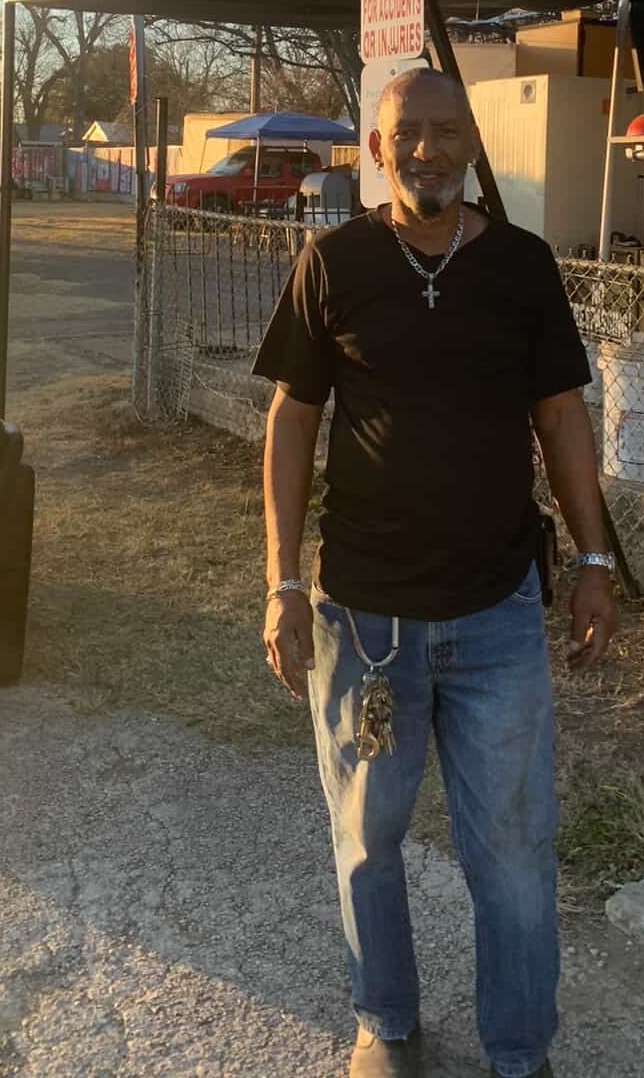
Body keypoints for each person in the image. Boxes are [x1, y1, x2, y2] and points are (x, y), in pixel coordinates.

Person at [255, 67, 617, 1078]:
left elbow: (561, 418)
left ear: (472, 142)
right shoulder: (332, 263)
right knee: (367, 838)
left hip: (499, 611)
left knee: (510, 853)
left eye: (447, 129)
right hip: (365, 617)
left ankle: (518, 1048)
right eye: (408, 130)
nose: (428, 147)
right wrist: (282, 580)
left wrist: (593, 558)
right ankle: (386, 1024)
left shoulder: (521, 267)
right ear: (377, 148)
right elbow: (292, 420)